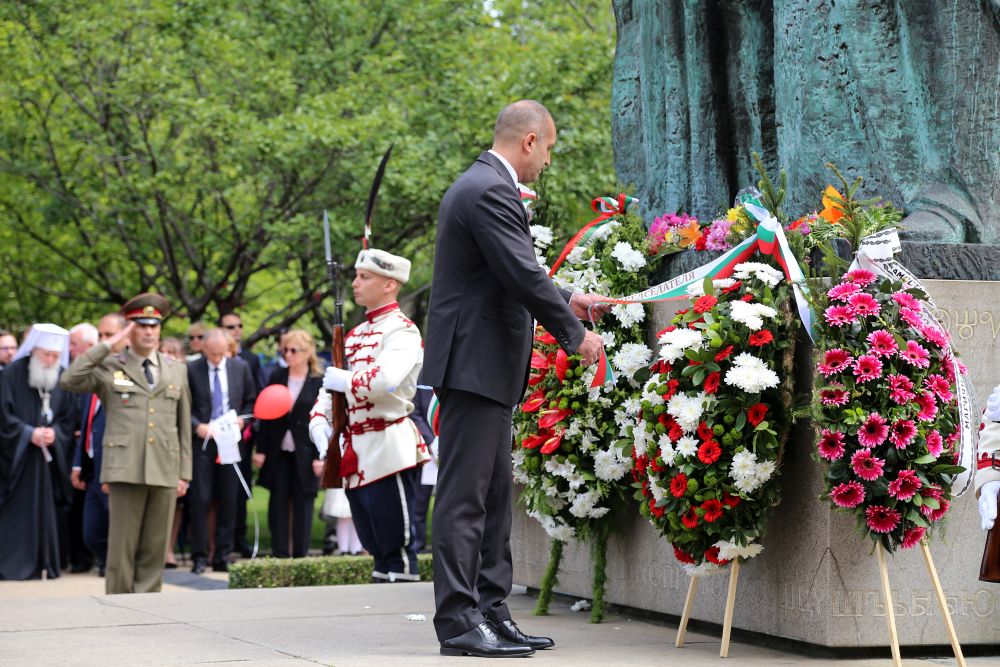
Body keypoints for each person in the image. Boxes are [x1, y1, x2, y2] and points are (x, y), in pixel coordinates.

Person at [423, 100, 607, 657]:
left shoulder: (484, 187)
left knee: (494, 498)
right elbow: (521, 273)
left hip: (485, 365)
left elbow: (512, 273)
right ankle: (459, 620)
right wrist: (576, 335)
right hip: (474, 364)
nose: (547, 161)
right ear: (529, 141)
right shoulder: (488, 190)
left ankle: (491, 609)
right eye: (548, 147)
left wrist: (571, 298)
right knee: (465, 499)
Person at [60, 293, 192, 594]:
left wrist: (184, 472)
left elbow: (182, 424)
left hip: (164, 466)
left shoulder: (176, 370)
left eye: (154, 325)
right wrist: (108, 343)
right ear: (129, 329)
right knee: (121, 546)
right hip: (124, 467)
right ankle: (121, 606)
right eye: (140, 325)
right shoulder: (110, 365)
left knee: (155, 546)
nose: (148, 331)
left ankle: (148, 607)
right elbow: (69, 379)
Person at [310, 249, 429, 581]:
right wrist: (319, 423)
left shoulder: (402, 331)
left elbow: (385, 380)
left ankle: (401, 607)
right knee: (374, 543)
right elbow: (329, 391)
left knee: (397, 545)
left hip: (389, 446)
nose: (355, 283)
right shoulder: (354, 335)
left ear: (390, 284)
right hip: (355, 451)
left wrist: (345, 379)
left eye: (365, 277)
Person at [0, 324, 76, 580]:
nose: (51, 360)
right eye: (46, 355)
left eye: (55, 356)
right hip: (18, 461)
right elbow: (3, 417)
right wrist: (26, 433)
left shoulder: (62, 377)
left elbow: (69, 419)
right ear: (34, 350)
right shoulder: (10, 375)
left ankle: (48, 562)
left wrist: (56, 433)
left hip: (49, 463)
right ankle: (14, 565)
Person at [187, 328, 256, 573]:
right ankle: (199, 556)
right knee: (201, 499)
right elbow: (184, 406)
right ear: (203, 349)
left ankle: (223, 555)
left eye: (221, 354)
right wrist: (198, 427)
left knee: (229, 498)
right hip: (203, 442)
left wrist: (242, 420)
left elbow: (250, 401)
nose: (217, 358)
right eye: (213, 354)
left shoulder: (240, 368)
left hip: (230, 440)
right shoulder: (192, 370)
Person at [254, 330, 323, 558]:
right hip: (279, 450)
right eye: (286, 350)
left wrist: (319, 455)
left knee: (304, 503)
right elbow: (267, 417)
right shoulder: (277, 376)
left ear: (308, 352)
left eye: (294, 350)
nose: (289, 354)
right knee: (278, 504)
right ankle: (280, 554)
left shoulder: (318, 381)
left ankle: (301, 555)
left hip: (306, 451)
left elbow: (324, 420)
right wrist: (261, 449)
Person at [69, 313, 127, 577]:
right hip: (93, 467)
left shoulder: (127, 372)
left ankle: (116, 566)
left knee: (118, 525)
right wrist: (79, 463)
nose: (103, 341)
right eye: (100, 336)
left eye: (108, 335)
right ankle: (106, 560)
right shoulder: (94, 375)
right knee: (91, 532)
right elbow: (87, 424)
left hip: (115, 467)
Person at [409, 377, 437, 553]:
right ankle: (416, 547)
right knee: (418, 506)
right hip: (426, 451)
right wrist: (432, 441)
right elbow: (415, 412)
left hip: (451, 447)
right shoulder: (422, 377)